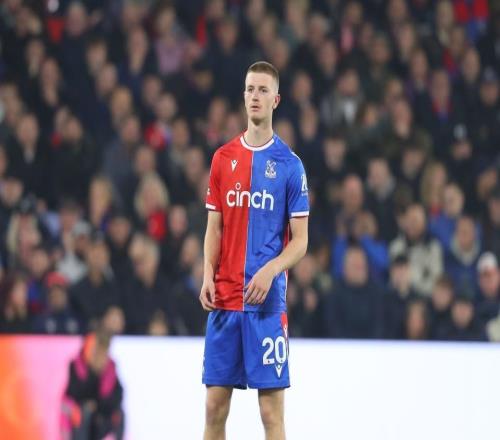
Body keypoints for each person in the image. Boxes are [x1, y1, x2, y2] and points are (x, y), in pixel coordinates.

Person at [199, 61, 309, 440]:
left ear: (276, 100)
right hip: (225, 301)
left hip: (266, 305)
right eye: (250, 89)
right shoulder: (222, 158)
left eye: (263, 90)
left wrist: (270, 270)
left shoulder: (290, 166)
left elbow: (301, 241)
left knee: (270, 413)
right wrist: (207, 274)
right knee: (214, 408)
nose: (255, 96)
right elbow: (214, 227)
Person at [60, 329, 124, 440]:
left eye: (103, 352)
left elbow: (118, 395)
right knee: (85, 410)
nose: (100, 356)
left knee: (120, 414)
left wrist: (100, 405)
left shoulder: (110, 370)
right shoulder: (77, 366)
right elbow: (72, 395)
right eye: (97, 351)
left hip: (102, 416)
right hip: (80, 418)